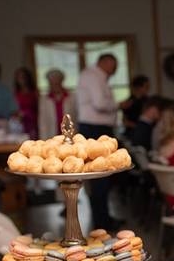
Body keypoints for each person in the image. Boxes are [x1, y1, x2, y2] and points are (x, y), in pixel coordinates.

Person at [76, 53, 119, 230]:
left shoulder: (97, 76)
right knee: (99, 177)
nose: (115, 70)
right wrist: (116, 105)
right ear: (104, 62)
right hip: (94, 129)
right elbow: (100, 103)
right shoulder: (92, 76)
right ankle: (101, 222)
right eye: (113, 65)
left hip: (97, 128)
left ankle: (104, 218)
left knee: (104, 177)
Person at [38, 69, 75, 138]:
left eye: (57, 83)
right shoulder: (44, 100)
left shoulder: (71, 97)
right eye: (52, 83)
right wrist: (43, 139)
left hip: (69, 135)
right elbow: (42, 122)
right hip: (51, 134)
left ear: (61, 82)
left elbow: (75, 117)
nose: (55, 86)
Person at [13, 67, 39, 139]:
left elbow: (38, 109)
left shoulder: (34, 93)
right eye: (18, 77)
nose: (21, 80)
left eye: (23, 77)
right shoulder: (15, 93)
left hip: (33, 123)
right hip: (20, 124)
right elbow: (14, 110)